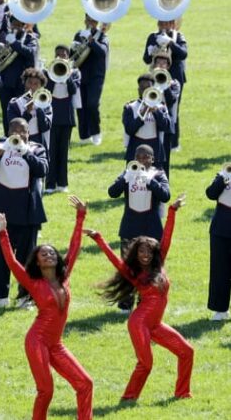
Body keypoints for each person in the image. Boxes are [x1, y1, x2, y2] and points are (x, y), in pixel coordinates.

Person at [86, 193, 193, 401]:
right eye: (142, 251)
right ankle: (128, 397)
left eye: (149, 252)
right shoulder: (133, 273)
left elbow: (167, 237)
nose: (145, 255)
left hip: (156, 325)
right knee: (146, 363)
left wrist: (172, 211)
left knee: (186, 351)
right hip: (139, 323)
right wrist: (98, 238)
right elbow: (114, 259)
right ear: (136, 254)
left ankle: (182, 393)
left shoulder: (159, 264)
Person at [0, 195, 92, 420]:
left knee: (85, 383)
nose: (49, 255)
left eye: (51, 252)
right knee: (46, 390)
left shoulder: (64, 277)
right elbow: (11, 262)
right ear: (37, 262)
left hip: (56, 344)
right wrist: (2, 232)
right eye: (43, 253)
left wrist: (81, 216)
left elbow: (74, 247)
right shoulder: (33, 282)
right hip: (37, 341)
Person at [0, 118, 48, 309]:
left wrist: (25, 152)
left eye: (22, 131)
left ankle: (25, 297)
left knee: (27, 257)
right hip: (1, 210)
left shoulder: (36, 149)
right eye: (14, 131)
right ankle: (0, 296)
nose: (18, 134)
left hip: (27, 212)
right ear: (8, 132)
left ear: (29, 133)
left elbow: (42, 170)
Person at [108, 144, 170, 313]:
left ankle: (145, 302)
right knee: (127, 268)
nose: (142, 161)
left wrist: (150, 181)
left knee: (151, 269)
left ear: (152, 159)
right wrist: (125, 179)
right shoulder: (128, 173)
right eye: (139, 157)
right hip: (130, 227)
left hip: (151, 229)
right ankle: (125, 304)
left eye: (146, 157)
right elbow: (112, 192)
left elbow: (165, 195)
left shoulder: (159, 174)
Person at [142, 19, 187, 151]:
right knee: (154, 106)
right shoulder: (153, 37)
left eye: (167, 24)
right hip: (155, 77)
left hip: (174, 78)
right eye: (161, 24)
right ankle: (154, 139)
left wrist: (170, 43)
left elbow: (183, 54)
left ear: (172, 24)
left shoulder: (178, 36)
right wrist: (152, 51)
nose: (164, 26)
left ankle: (173, 143)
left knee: (173, 109)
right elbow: (146, 59)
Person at [44, 45, 81, 193]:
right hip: (52, 116)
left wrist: (67, 75)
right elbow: (47, 89)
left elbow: (73, 90)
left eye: (63, 55)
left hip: (66, 117)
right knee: (51, 151)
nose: (60, 57)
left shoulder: (75, 72)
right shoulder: (48, 72)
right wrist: (54, 74)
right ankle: (50, 184)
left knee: (63, 152)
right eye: (58, 55)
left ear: (68, 57)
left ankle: (62, 183)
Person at [0, 15, 38, 136]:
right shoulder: (5, 37)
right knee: (7, 112)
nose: (16, 27)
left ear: (24, 26)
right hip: (6, 82)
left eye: (19, 25)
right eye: (14, 24)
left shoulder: (30, 38)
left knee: (23, 111)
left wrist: (14, 43)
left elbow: (30, 53)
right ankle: (8, 136)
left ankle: (24, 136)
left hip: (23, 84)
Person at [122, 74, 171, 172]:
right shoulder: (130, 107)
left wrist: (156, 112)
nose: (145, 91)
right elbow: (129, 130)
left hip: (155, 151)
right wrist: (143, 113)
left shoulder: (161, 107)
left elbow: (167, 127)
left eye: (148, 88)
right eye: (142, 88)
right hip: (135, 151)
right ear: (138, 90)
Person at [73, 15, 109, 145]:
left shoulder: (102, 36)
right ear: (85, 21)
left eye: (93, 21)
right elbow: (73, 55)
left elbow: (102, 52)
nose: (90, 23)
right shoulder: (79, 34)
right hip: (80, 74)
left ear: (97, 22)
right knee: (80, 106)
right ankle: (84, 135)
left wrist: (91, 40)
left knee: (92, 104)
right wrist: (74, 47)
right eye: (88, 20)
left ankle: (95, 133)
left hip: (96, 76)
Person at [206, 166, 231, 321]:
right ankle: (220, 309)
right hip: (220, 230)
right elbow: (211, 194)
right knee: (219, 270)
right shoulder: (223, 175)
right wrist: (222, 178)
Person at [151, 51, 180, 180]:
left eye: (164, 63)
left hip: (166, 124)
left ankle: (164, 184)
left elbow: (172, 100)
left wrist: (164, 84)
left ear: (168, 66)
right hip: (151, 123)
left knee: (164, 159)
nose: (161, 65)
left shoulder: (174, 84)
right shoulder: (150, 81)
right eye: (158, 62)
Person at [6, 67, 52, 148]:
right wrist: (27, 112)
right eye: (29, 82)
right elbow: (13, 126)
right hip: (20, 142)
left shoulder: (46, 103)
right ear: (24, 83)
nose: (32, 87)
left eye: (36, 84)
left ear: (41, 86)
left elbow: (45, 127)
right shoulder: (14, 104)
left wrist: (38, 108)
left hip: (39, 142)